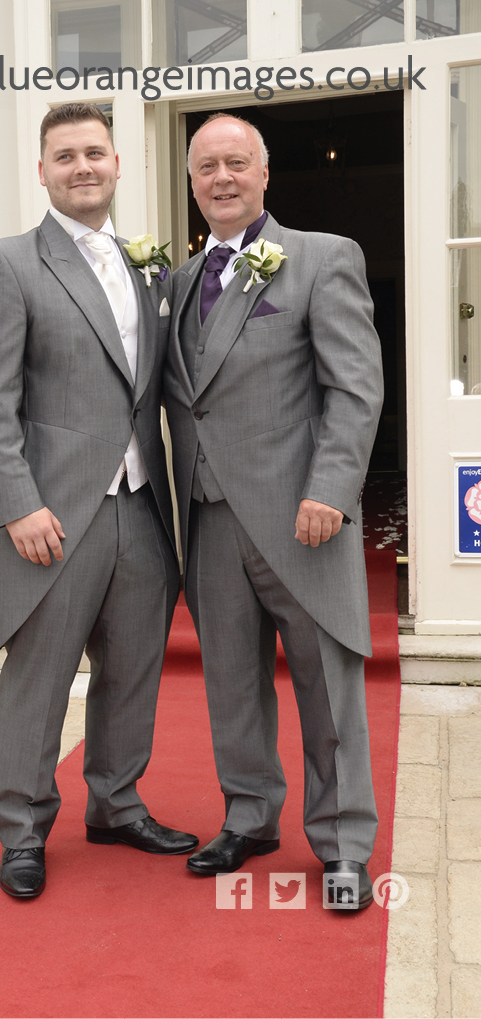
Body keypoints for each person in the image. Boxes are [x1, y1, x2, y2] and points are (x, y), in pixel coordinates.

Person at [0, 103, 197, 900]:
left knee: (131, 672)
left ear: (119, 162)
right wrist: (16, 504)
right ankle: (22, 829)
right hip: (52, 515)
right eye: (66, 156)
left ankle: (117, 805)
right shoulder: (5, 263)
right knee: (40, 679)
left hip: (141, 504)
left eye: (95, 152)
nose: (83, 166)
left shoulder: (151, 267)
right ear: (43, 171)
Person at [163, 113, 384, 909]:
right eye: (206, 167)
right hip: (210, 517)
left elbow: (355, 387)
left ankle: (343, 845)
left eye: (236, 164)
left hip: (302, 516)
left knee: (328, 689)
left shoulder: (322, 258)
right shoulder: (179, 282)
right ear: (192, 183)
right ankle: (250, 816)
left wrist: (332, 486)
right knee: (229, 682)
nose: (221, 178)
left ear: (263, 174)